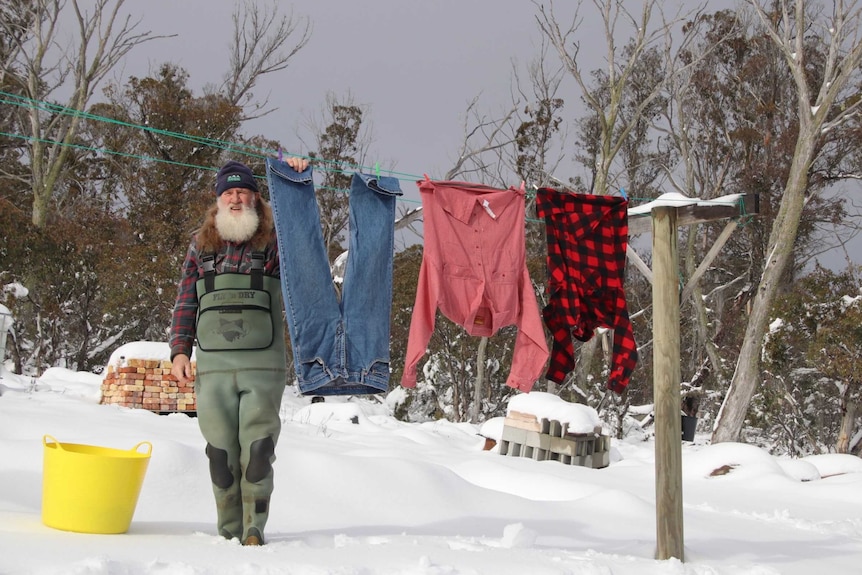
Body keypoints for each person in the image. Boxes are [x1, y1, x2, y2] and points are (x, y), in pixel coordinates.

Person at [169, 157, 308, 546]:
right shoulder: (201, 246)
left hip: (262, 370)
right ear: (217, 201)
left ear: (255, 199)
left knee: (258, 450)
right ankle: (227, 532)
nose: (235, 197)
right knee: (220, 455)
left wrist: (295, 179)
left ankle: (253, 529)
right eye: (228, 192)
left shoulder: (275, 243)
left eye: (242, 191)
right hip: (212, 370)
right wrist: (179, 350)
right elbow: (185, 301)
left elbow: (303, 251)